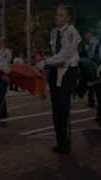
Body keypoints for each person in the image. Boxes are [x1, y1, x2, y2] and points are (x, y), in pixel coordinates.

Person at [36, 4, 82, 154]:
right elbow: (55, 53)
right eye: (57, 14)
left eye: (61, 15)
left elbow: (64, 55)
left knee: (63, 108)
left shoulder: (71, 32)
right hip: (56, 71)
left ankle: (66, 143)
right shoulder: (54, 33)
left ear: (68, 17)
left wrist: (46, 62)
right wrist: (49, 63)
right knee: (56, 109)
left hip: (68, 71)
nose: (58, 17)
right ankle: (60, 141)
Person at [79, 31, 101, 108]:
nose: (87, 38)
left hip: (97, 71)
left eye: (88, 36)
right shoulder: (84, 46)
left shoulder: (97, 45)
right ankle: (91, 102)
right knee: (91, 88)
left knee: (98, 91)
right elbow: (81, 57)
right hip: (89, 72)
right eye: (86, 37)